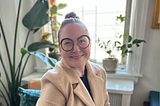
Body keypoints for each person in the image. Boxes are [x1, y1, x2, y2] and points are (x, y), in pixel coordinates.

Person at [36, 12, 110, 106]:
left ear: (90, 44)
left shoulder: (100, 72)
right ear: (60, 49)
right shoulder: (54, 81)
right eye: (67, 43)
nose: (76, 49)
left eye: (82, 41)